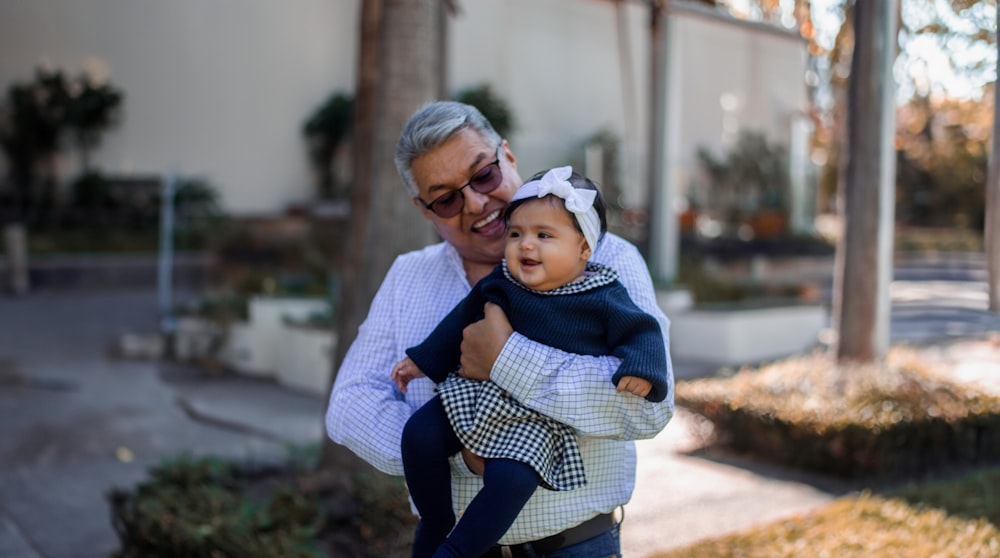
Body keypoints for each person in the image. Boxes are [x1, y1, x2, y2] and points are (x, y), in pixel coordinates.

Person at [326, 100, 675, 557]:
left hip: (574, 546)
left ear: (507, 156)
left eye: (484, 174)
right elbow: (350, 404)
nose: (475, 202)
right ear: (424, 210)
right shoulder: (408, 277)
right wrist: (467, 449)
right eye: (446, 198)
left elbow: (649, 409)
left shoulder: (607, 261)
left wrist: (505, 358)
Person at [392, 166, 670, 558]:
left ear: (584, 249)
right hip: (475, 394)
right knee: (418, 437)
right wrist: (422, 360)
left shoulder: (603, 291)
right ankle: (437, 521)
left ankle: (456, 550)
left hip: (535, 418)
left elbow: (641, 332)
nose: (525, 245)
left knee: (513, 478)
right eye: (517, 233)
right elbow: (460, 321)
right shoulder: (503, 280)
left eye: (544, 235)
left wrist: (642, 369)